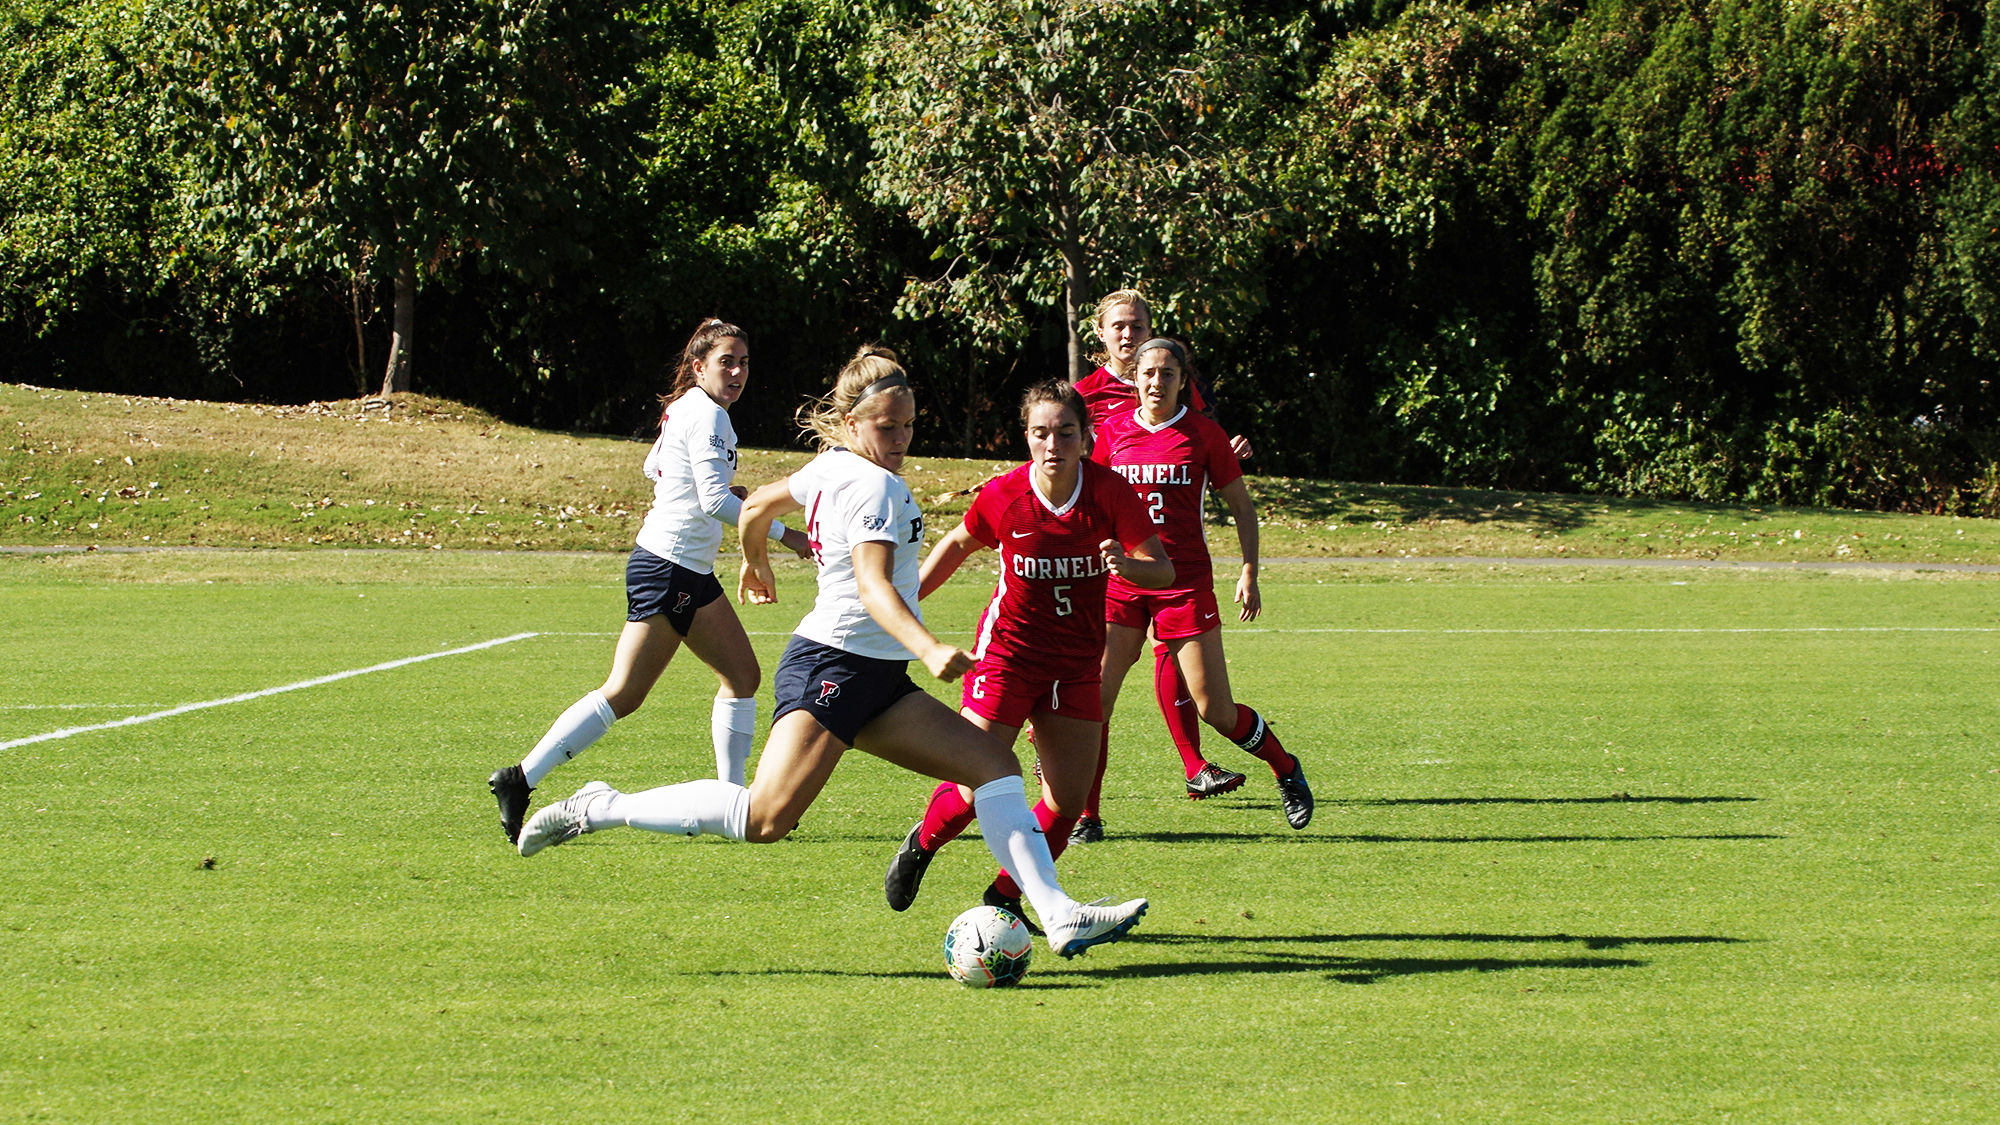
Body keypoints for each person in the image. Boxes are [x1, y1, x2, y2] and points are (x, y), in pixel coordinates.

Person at [514, 347, 1150, 958]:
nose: (900, 438)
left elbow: (757, 504)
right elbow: (873, 588)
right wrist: (927, 646)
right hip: (833, 668)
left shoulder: (832, 464)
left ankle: (1058, 913)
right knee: (764, 818)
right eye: (886, 426)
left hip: (874, 676)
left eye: (907, 425)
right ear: (852, 423)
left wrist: (755, 559)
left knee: (994, 767)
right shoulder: (875, 488)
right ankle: (601, 806)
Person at [486, 319, 811, 844]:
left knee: (742, 676)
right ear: (699, 365)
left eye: (744, 362)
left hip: (684, 568)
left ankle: (733, 805)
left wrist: (720, 488)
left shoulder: (686, 408)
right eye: (726, 361)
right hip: (670, 567)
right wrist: (786, 535)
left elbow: (654, 467)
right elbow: (712, 501)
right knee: (624, 693)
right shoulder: (708, 416)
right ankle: (520, 779)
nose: (737, 372)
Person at [882, 380, 1172, 924]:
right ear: (1027, 437)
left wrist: (1129, 566)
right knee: (976, 781)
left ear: (1085, 437)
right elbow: (957, 544)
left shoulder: (1110, 493)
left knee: (1067, 799)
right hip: (1007, 658)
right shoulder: (1006, 494)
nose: (1053, 444)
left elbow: (1163, 568)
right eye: (1041, 433)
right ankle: (923, 843)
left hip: (1077, 664)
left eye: (1066, 432)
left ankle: (1005, 897)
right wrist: (904, 603)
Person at [1093, 336, 1312, 830]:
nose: (1156, 382)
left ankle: (1286, 768)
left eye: (1168, 374)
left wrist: (1250, 570)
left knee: (1216, 708)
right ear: (1134, 378)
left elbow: (1242, 506)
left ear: (1182, 381)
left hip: (1184, 583)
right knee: (1096, 702)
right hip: (1123, 581)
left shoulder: (1204, 434)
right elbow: (1094, 502)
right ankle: (1087, 815)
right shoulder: (1111, 433)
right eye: (1148, 373)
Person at [1066, 291, 1254, 843]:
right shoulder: (1084, 396)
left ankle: (1194, 766)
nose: (1128, 335)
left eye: (1137, 325)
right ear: (1099, 335)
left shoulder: (1171, 376)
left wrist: (1226, 454)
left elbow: (1195, 438)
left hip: (1174, 559)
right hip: (1110, 556)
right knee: (1095, 683)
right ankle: (1081, 799)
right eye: (1118, 327)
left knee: (1176, 655)